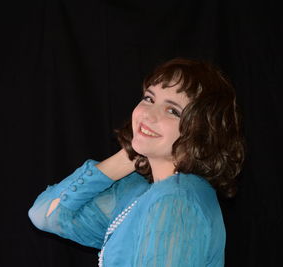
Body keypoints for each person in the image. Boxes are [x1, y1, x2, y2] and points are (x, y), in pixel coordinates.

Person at [28, 57, 245, 266]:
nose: (148, 115)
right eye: (149, 98)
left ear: (203, 132)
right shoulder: (140, 194)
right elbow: (46, 215)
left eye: (173, 111)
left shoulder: (176, 201)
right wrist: (130, 156)